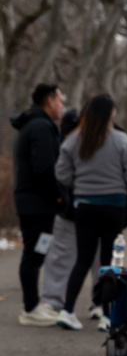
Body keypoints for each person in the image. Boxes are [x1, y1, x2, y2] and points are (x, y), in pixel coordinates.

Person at [55, 93, 127, 330]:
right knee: (108, 262)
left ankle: (67, 310)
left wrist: (79, 185)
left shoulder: (74, 140)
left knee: (82, 260)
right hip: (113, 207)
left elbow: (62, 173)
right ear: (111, 113)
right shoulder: (120, 140)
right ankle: (106, 315)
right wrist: (122, 186)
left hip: (84, 206)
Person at [40, 108, 102, 324]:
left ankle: (57, 301)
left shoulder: (70, 143)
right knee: (95, 256)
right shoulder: (110, 139)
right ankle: (98, 302)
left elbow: (60, 174)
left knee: (74, 257)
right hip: (95, 209)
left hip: (79, 209)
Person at [10, 83, 64, 325]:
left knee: (36, 252)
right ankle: (30, 308)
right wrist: (58, 195)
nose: (62, 106)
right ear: (50, 101)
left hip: (33, 201)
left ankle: (33, 304)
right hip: (37, 203)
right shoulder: (41, 127)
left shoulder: (33, 125)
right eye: (60, 101)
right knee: (34, 253)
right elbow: (44, 168)